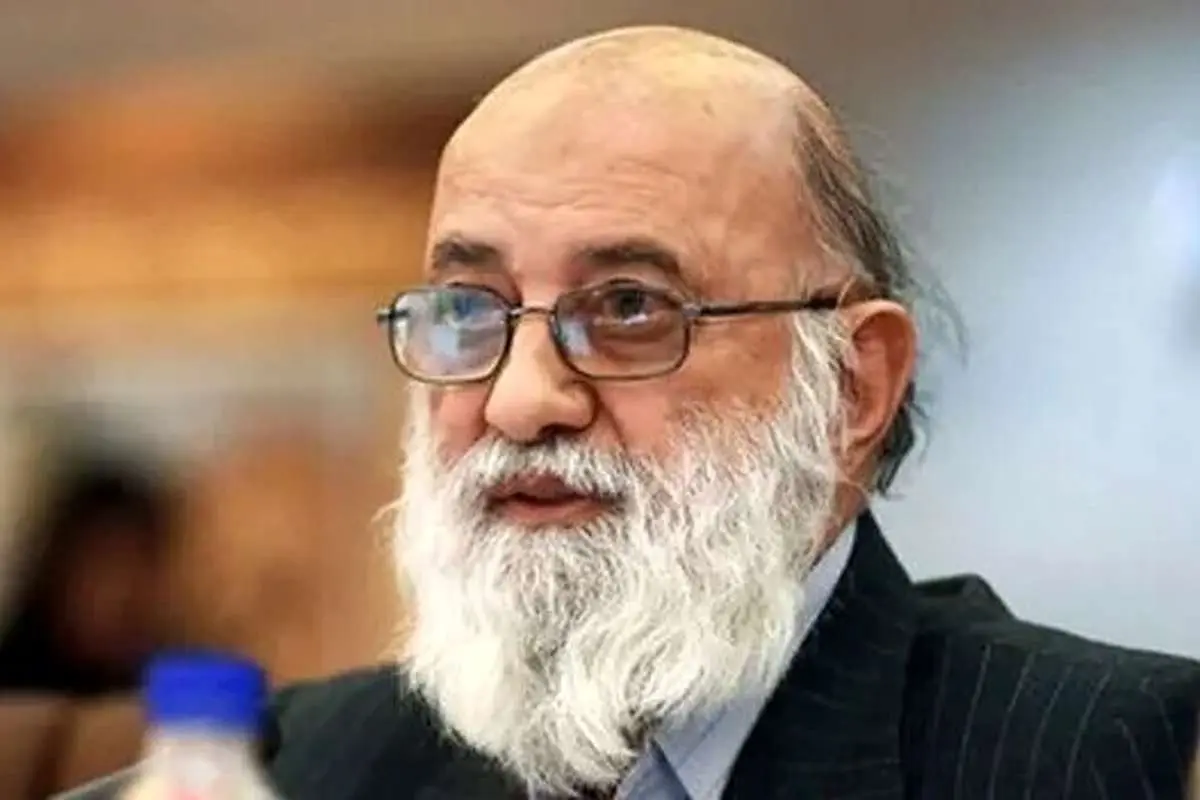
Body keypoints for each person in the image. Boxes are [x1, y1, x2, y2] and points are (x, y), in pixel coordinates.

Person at [64, 24, 1200, 800]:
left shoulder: (1119, 755)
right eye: (469, 309)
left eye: (629, 307)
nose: (520, 400)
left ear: (852, 389)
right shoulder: (305, 766)